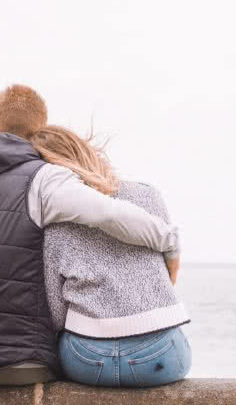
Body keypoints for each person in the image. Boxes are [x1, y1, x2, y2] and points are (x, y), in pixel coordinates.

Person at [0, 85, 180, 387]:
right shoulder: (43, 179)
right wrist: (169, 241)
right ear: (39, 130)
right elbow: (109, 215)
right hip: (22, 363)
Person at [31, 125, 191, 387]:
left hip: (86, 359)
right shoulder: (147, 194)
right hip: (159, 357)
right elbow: (165, 277)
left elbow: (56, 312)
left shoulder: (53, 217)